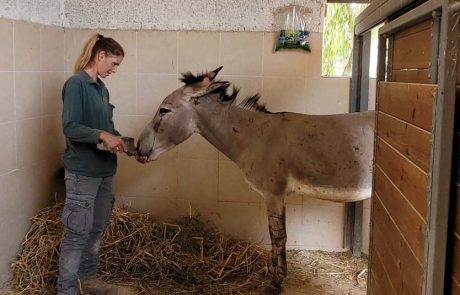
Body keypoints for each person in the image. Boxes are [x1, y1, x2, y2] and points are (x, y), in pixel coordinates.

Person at [58, 33, 145, 295]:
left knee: (95, 230)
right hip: (82, 174)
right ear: (101, 55)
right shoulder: (76, 84)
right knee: (77, 235)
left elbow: (106, 129)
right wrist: (103, 135)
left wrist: (129, 149)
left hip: (105, 172)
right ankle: (67, 290)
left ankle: (87, 280)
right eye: (114, 64)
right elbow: (70, 127)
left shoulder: (102, 89)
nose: (115, 70)